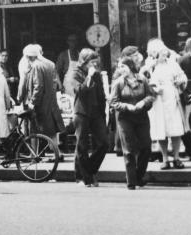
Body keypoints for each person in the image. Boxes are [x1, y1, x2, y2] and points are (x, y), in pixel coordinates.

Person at [110, 46, 154, 189]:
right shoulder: (118, 83)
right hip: (125, 118)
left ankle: (139, 176)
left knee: (146, 147)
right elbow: (113, 102)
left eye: (123, 66)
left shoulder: (142, 80)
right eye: (119, 67)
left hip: (141, 117)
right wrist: (127, 106)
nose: (120, 69)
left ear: (130, 67)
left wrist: (143, 102)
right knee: (128, 149)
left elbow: (150, 96)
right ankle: (132, 182)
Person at [146, 38, 187, 170]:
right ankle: (164, 158)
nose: (165, 55)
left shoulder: (172, 64)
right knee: (161, 130)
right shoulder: (149, 66)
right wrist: (153, 88)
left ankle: (176, 157)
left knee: (175, 128)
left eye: (165, 52)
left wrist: (179, 82)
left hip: (172, 98)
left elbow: (182, 76)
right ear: (155, 54)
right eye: (161, 53)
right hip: (158, 101)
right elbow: (145, 81)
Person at [70, 49, 108, 186]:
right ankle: (84, 177)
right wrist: (89, 77)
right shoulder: (76, 73)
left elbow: (101, 94)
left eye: (95, 61)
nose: (94, 64)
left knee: (104, 143)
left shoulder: (97, 74)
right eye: (91, 62)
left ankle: (89, 170)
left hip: (96, 112)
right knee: (82, 145)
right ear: (84, 62)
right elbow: (80, 91)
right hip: (82, 112)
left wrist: (104, 113)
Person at [17, 44, 64, 140]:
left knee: (33, 129)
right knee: (51, 129)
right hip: (50, 100)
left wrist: (32, 102)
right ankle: (56, 151)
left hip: (39, 102)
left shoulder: (35, 66)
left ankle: (34, 153)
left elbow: (38, 86)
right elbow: (54, 82)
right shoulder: (50, 64)